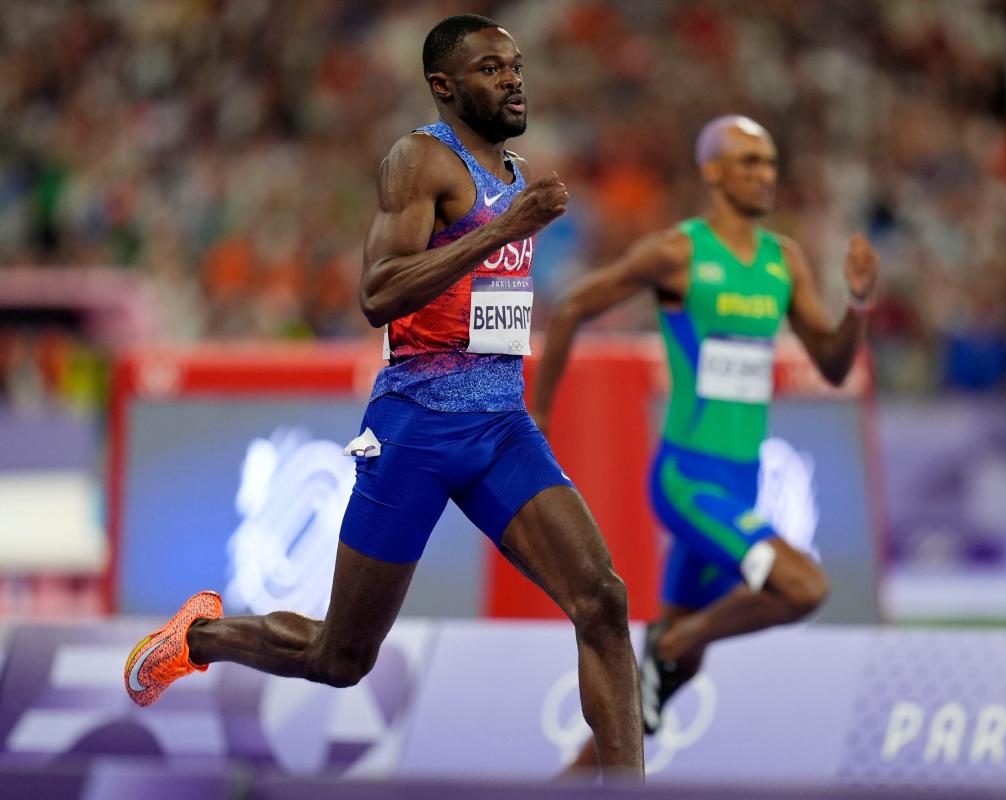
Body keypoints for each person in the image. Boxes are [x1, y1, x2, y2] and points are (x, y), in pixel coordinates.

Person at [124, 14, 644, 780]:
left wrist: (514, 222)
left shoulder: (523, 175)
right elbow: (377, 293)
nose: (512, 79)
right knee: (341, 658)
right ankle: (201, 639)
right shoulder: (421, 162)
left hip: (501, 425)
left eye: (516, 65)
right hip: (417, 429)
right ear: (444, 85)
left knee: (602, 601)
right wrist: (502, 231)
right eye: (492, 68)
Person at [532, 115, 878, 765]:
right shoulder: (681, 253)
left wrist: (856, 306)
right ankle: (670, 639)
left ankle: (580, 771)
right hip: (688, 481)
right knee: (803, 588)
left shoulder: (784, 261)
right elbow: (576, 305)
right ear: (712, 172)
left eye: (770, 162)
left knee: (654, 696)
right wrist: (541, 420)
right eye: (748, 162)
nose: (764, 174)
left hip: (741, 481)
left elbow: (832, 366)